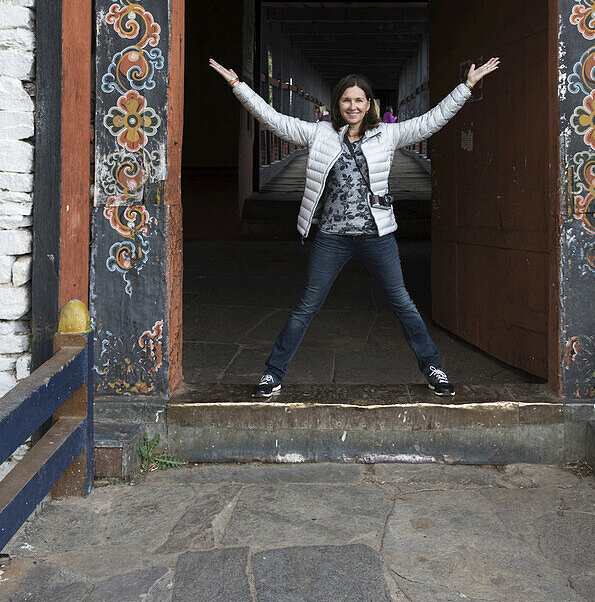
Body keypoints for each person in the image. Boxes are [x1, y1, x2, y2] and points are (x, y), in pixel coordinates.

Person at [209, 56, 500, 399]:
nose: (353, 105)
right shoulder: (319, 134)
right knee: (306, 306)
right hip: (331, 238)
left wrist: (466, 87)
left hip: (377, 237)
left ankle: (433, 368)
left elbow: (431, 121)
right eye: (346, 99)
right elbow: (274, 120)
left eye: (359, 100)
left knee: (403, 304)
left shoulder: (388, 134)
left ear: (369, 104)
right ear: (338, 104)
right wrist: (237, 86)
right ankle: (272, 374)